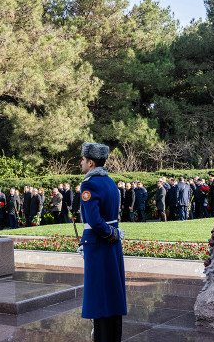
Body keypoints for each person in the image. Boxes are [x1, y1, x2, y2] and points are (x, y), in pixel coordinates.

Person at [77, 142, 126, 341]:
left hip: (98, 244)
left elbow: (95, 221)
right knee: (112, 292)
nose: (80, 163)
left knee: (98, 295)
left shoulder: (89, 184)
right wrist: (113, 233)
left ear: (90, 163)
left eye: (82, 160)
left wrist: (110, 233)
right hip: (110, 243)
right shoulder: (111, 182)